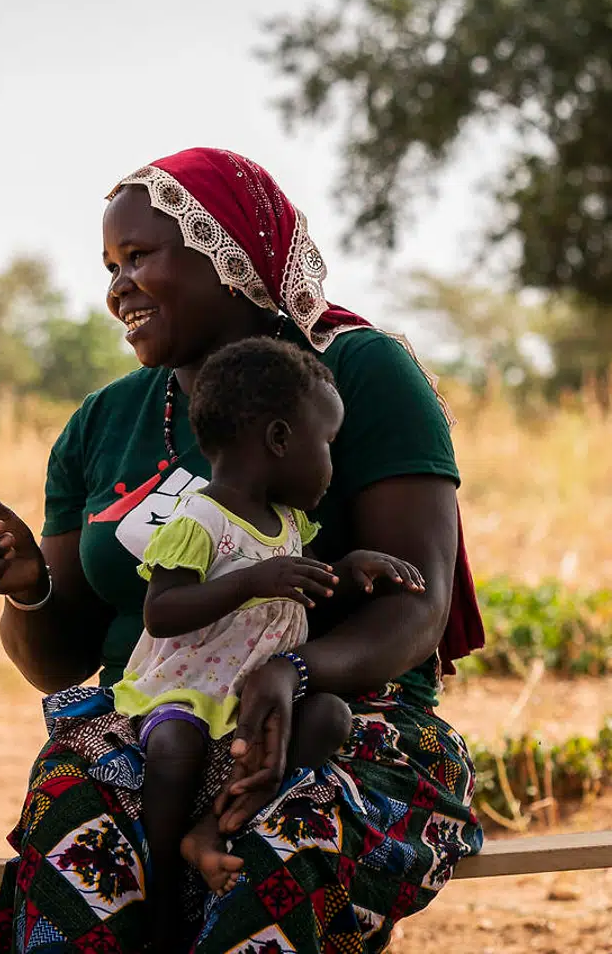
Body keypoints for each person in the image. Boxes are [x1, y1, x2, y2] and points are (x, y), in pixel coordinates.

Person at [0, 147, 485, 953]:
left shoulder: (354, 375)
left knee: (278, 855)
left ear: (228, 256)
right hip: (154, 734)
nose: (117, 286)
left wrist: (293, 671)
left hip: (334, 723)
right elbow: (56, 664)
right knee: (77, 841)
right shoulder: (104, 421)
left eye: (140, 256)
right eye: (109, 265)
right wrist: (28, 589)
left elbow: (419, 603)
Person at [118, 336, 426, 945]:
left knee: (329, 719)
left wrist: (350, 567)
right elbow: (162, 611)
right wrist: (251, 581)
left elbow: (299, 584)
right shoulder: (196, 521)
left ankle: (209, 828)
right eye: (329, 446)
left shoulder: (287, 524)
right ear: (281, 440)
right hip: (185, 690)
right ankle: (157, 892)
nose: (333, 467)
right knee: (175, 746)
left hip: (254, 698)